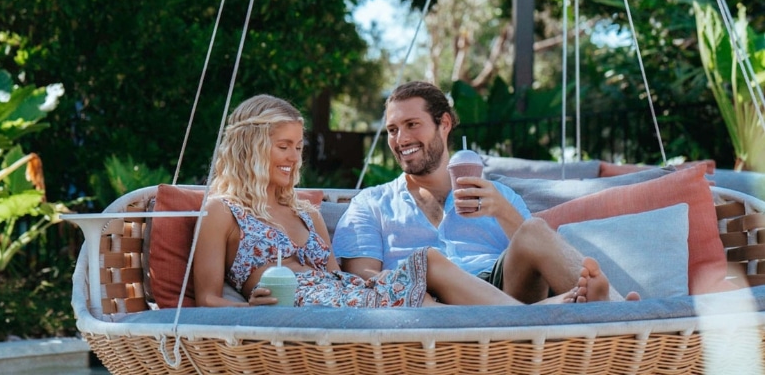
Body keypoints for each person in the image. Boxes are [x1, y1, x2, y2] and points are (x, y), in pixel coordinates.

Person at [193, 94, 613, 308]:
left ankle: (599, 310)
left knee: (435, 280)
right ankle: (549, 316)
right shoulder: (222, 211)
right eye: (283, 146)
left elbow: (341, 278)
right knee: (428, 263)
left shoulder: (308, 212)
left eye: (299, 147)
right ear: (249, 146)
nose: (293, 157)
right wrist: (248, 307)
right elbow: (205, 298)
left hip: (349, 300)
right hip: (314, 312)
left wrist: (380, 282)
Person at [332, 81, 640, 304]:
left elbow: (535, 262)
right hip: (427, 300)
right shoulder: (370, 204)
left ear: (444, 124)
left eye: (412, 124)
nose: (401, 138)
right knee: (429, 259)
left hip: (502, 289)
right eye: (392, 129)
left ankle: (617, 311)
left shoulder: (497, 194)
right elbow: (362, 280)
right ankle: (549, 313)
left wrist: (502, 210)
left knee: (533, 229)